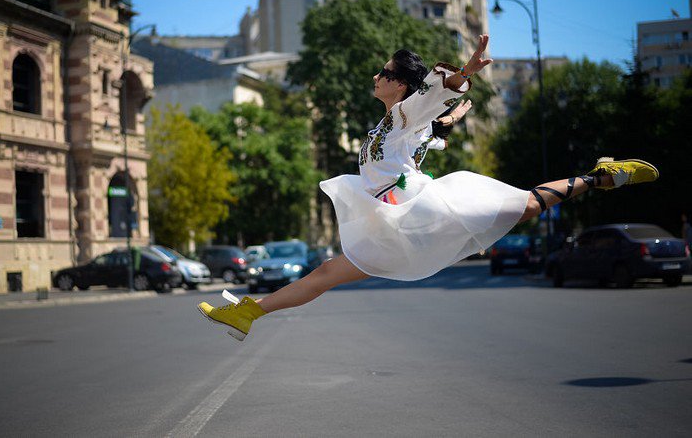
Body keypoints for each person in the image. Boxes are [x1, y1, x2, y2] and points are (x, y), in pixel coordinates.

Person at [198, 34, 659, 341]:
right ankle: (248, 314)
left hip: (423, 210)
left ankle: (600, 176)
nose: (375, 78)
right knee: (322, 276)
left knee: (525, 206)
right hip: (388, 222)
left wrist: (465, 73)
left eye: (383, 73)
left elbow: (438, 93)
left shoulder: (404, 114)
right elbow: (430, 128)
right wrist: (450, 119)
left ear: (399, 84)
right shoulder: (394, 126)